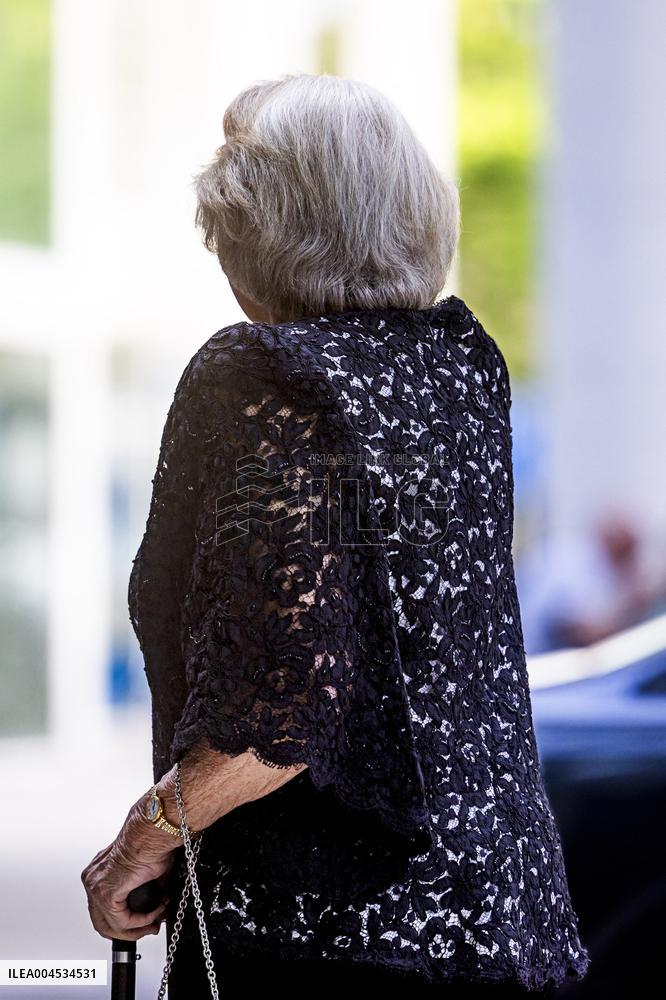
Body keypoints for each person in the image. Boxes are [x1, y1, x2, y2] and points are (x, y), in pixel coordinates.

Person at [81, 73, 589, 997]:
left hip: (329, 940)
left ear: (257, 235)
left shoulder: (263, 379)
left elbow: (281, 711)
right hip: (497, 916)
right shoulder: (460, 372)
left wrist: (142, 839)